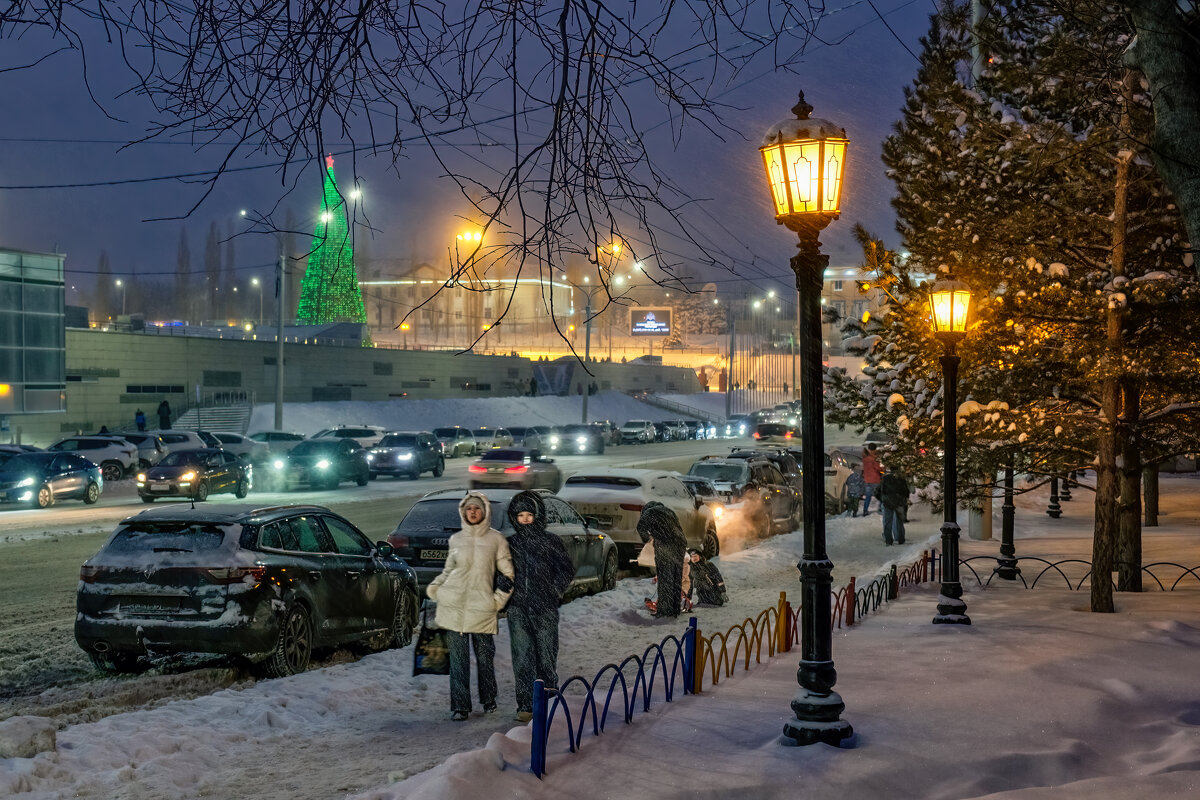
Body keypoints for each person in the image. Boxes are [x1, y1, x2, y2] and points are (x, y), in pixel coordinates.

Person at [426, 492, 514, 722]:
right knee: (458, 659)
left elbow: (507, 575)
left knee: (485, 657)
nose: (473, 512)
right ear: (463, 513)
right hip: (454, 607)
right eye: (468, 509)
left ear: (484, 512)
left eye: (477, 509)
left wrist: (497, 602)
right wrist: (436, 587)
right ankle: (460, 706)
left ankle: (489, 699)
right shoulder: (456, 540)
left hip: (482, 609)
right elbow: (448, 570)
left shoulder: (496, 540)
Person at [504, 491, 575, 724]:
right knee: (523, 658)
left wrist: (554, 590)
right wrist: (501, 582)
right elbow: (499, 571)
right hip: (518, 609)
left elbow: (566, 570)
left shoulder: (550, 541)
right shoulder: (510, 544)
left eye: (529, 514)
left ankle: (549, 700)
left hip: (544, 608)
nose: (525, 519)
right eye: (520, 515)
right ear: (515, 518)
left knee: (546, 656)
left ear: (537, 515)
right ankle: (525, 705)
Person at [636, 501, 687, 618]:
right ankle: (675, 609)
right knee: (676, 577)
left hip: (665, 545)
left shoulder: (648, 512)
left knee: (665, 578)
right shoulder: (669, 511)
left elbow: (640, 528)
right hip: (680, 544)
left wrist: (648, 539)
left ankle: (665, 610)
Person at [880, 465, 910, 546]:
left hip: (888, 502)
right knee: (899, 522)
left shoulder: (885, 478)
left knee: (888, 522)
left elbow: (882, 490)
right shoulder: (901, 479)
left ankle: (888, 540)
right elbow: (906, 491)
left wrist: (884, 499)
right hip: (899, 502)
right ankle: (901, 539)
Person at [861, 444, 883, 515]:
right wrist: (884, 469)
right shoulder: (873, 458)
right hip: (875, 479)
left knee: (868, 496)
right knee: (880, 495)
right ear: (875, 449)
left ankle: (865, 510)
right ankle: (880, 509)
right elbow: (878, 468)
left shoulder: (865, 457)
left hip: (867, 480)